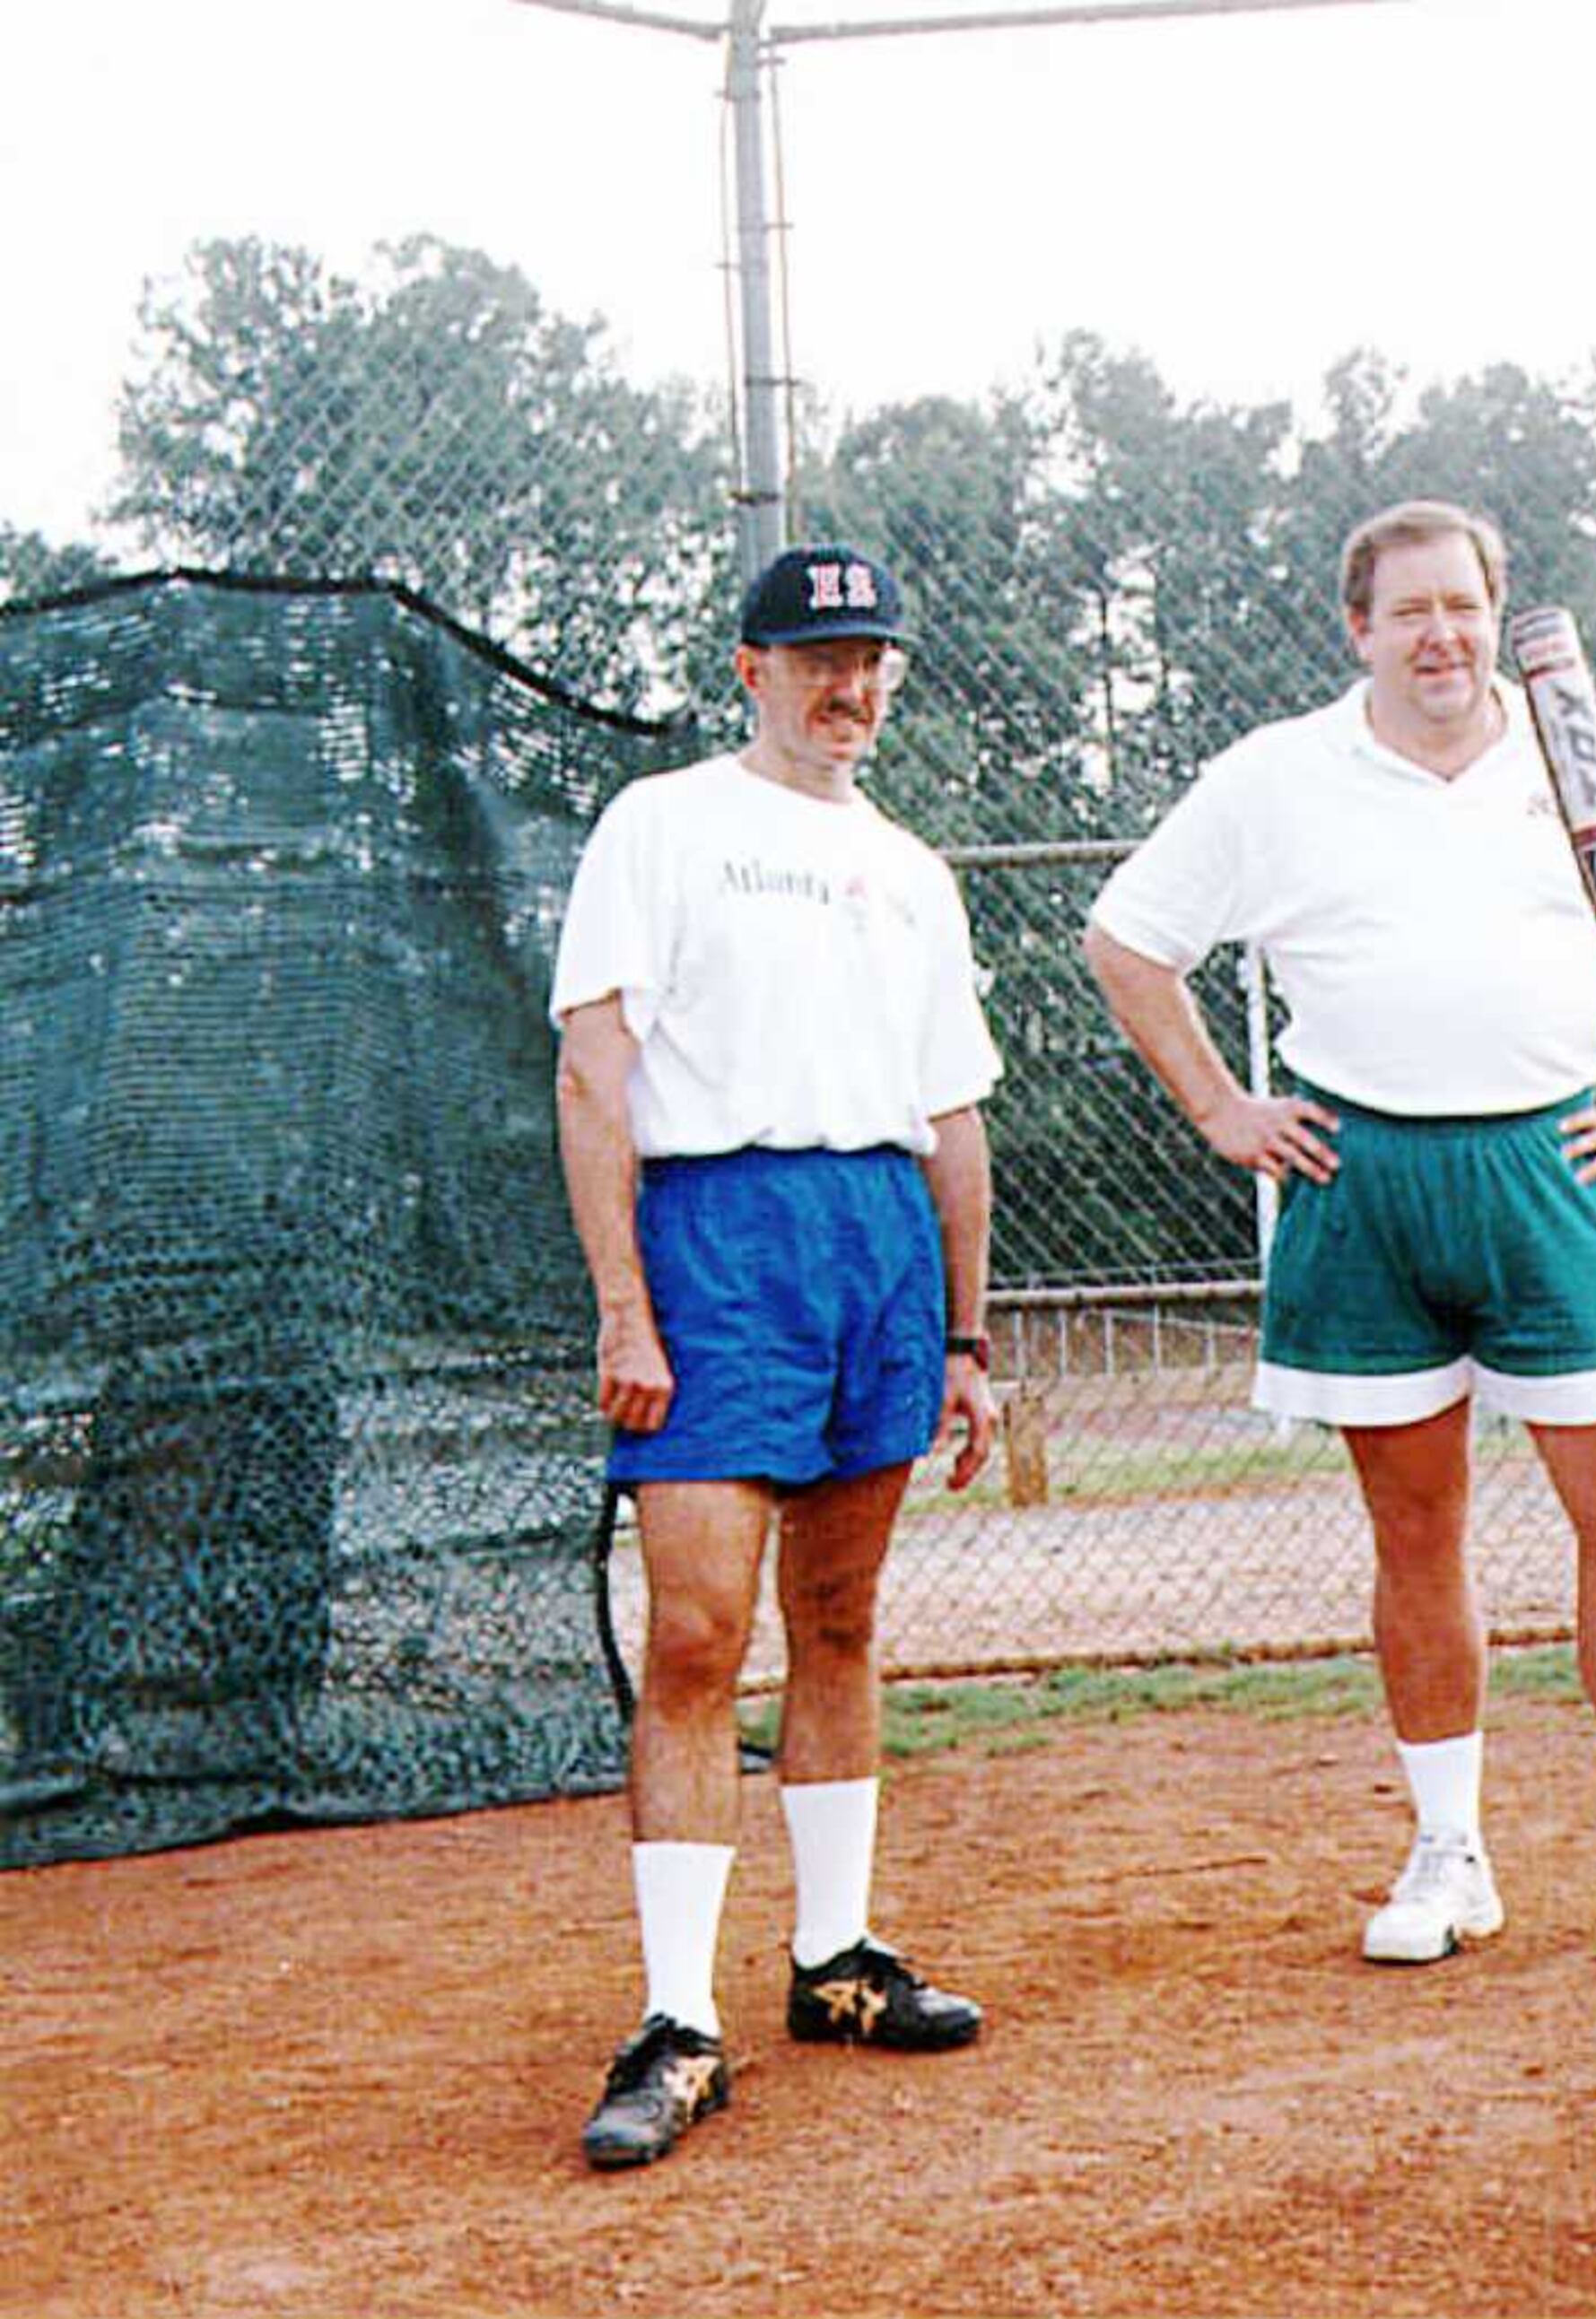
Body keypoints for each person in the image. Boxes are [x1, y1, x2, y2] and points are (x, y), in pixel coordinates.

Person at [1082, 500, 1596, 1967]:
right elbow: (1127, 938)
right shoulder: (1280, 775)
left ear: (1495, 614)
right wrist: (1223, 1108)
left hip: (1555, 1165)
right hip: (1361, 1175)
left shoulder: (1580, 748)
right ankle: (1449, 1852)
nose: (1442, 637)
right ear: (1362, 630)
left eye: (1463, 607)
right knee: (1417, 1524)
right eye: (1410, 613)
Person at [549, 542, 1003, 2170]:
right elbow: (595, 1069)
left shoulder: (914, 869)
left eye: (873, 654)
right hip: (718, 1240)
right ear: (752, 669)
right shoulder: (663, 825)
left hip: (878, 1241)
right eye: (818, 656)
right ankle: (679, 2018)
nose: (850, 684)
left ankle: (836, 1960)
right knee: (691, 1629)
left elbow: (953, 1118)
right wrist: (625, 1301)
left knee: (841, 1614)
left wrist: (963, 1332)